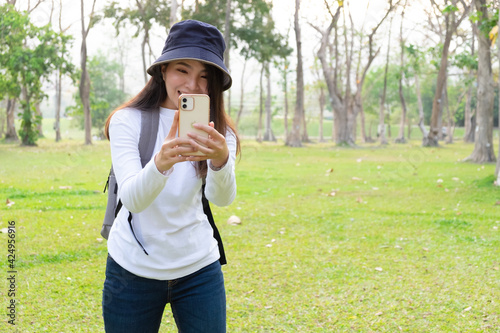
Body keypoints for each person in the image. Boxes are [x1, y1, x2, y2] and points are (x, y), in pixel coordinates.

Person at [102, 20, 240, 333]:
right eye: (182, 69)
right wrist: (161, 162)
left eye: (205, 76)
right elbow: (134, 200)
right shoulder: (128, 121)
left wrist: (220, 160)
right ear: (162, 71)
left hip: (199, 268)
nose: (192, 84)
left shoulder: (220, 131)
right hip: (131, 270)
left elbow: (221, 198)